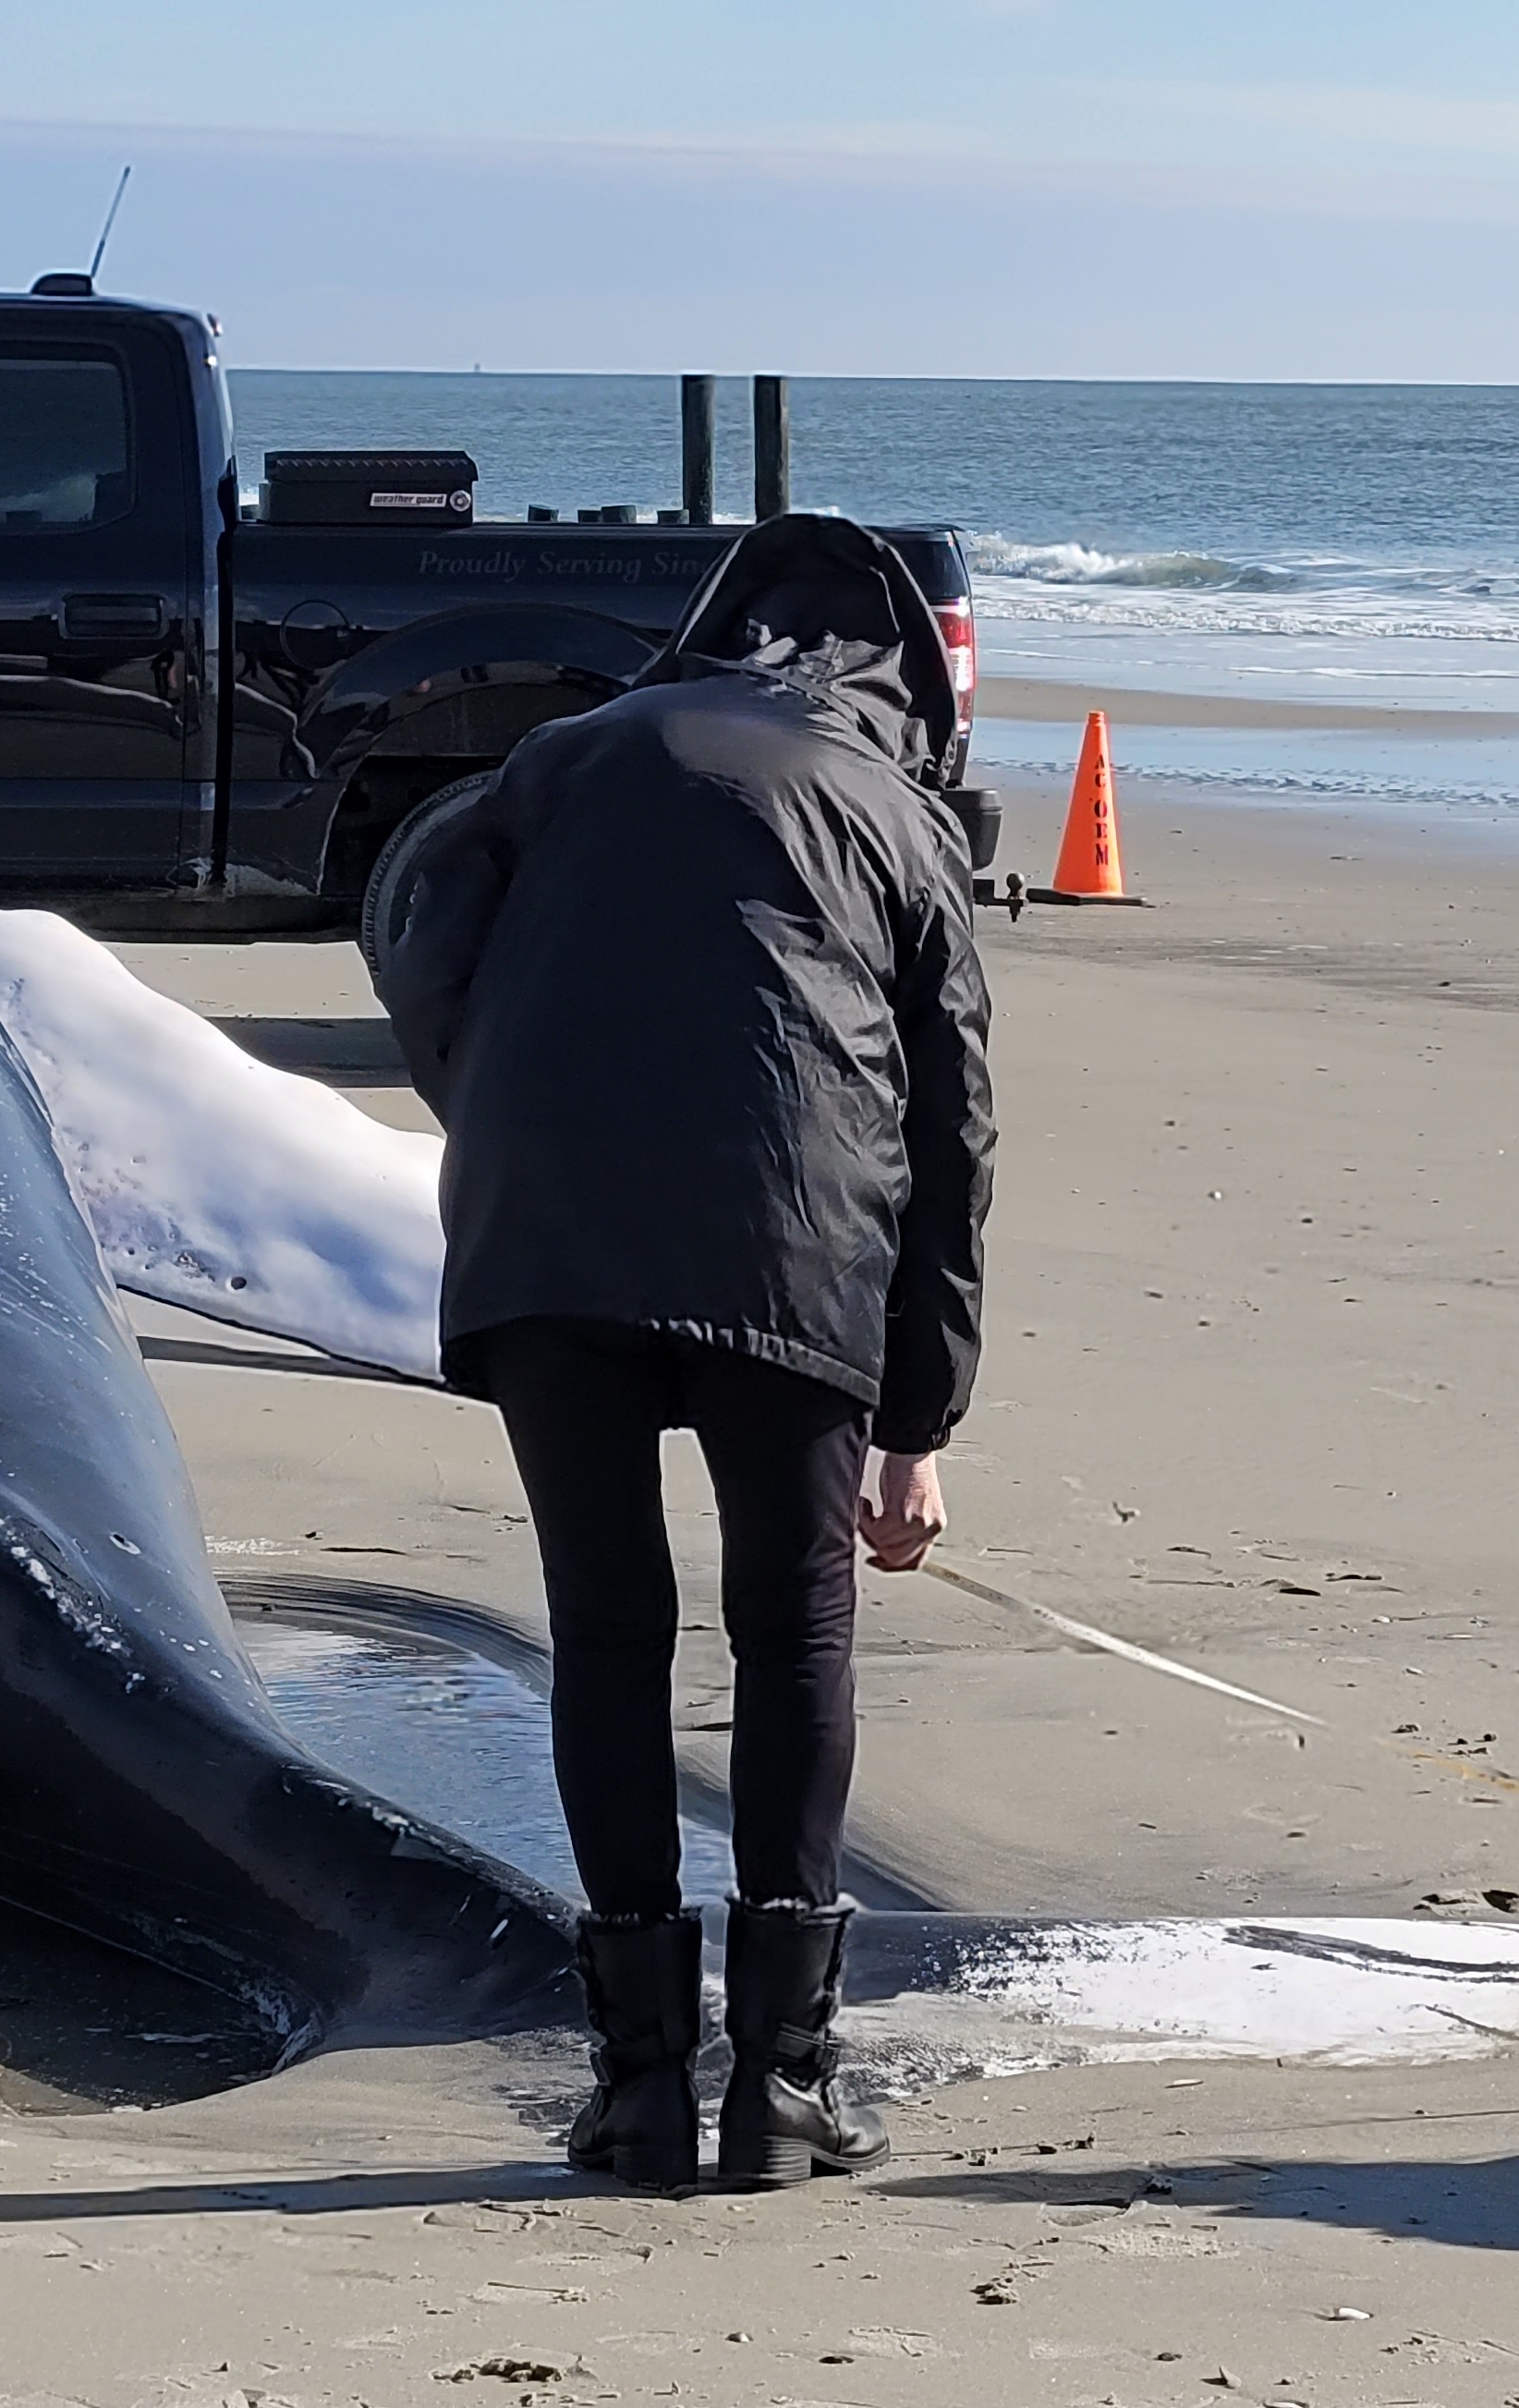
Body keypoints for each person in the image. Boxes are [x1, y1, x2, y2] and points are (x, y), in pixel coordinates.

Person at [371, 512, 995, 2196]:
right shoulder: (892, 812)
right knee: (790, 1626)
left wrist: (499, 1110)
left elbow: (416, 930)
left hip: (547, 1241)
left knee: (606, 1622)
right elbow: (950, 1127)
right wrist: (917, 1412)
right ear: (908, 681)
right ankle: (783, 2084)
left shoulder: (562, 755)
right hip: (791, 1247)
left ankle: (638, 2082)